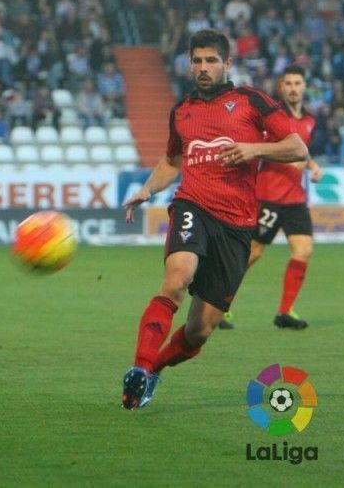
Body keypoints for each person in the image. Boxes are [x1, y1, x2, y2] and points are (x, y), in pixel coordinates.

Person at [121, 29, 307, 410]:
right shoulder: (183, 111)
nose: (203, 68)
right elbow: (173, 160)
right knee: (176, 278)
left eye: (211, 61)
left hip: (237, 226)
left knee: (198, 331)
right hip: (193, 207)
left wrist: (253, 148)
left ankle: (154, 369)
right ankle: (138, 369)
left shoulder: (251, 102)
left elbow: (297, 147)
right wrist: (147, 189)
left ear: (227, 64)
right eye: (197, 61)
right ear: (189, 64)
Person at [222, 66, 322, 330]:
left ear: (304, 86)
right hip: (268, 197)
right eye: (287, 83)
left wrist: (311, 165)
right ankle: (220, 304)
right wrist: (289, 158)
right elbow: (259, 149)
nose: (293, 88)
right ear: (281, 87)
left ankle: (285, 311)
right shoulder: (274, 117)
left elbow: (301, 150)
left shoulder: (310, 120)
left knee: (304, 250)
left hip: (295, 200)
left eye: (297, 83)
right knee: (252, 253)